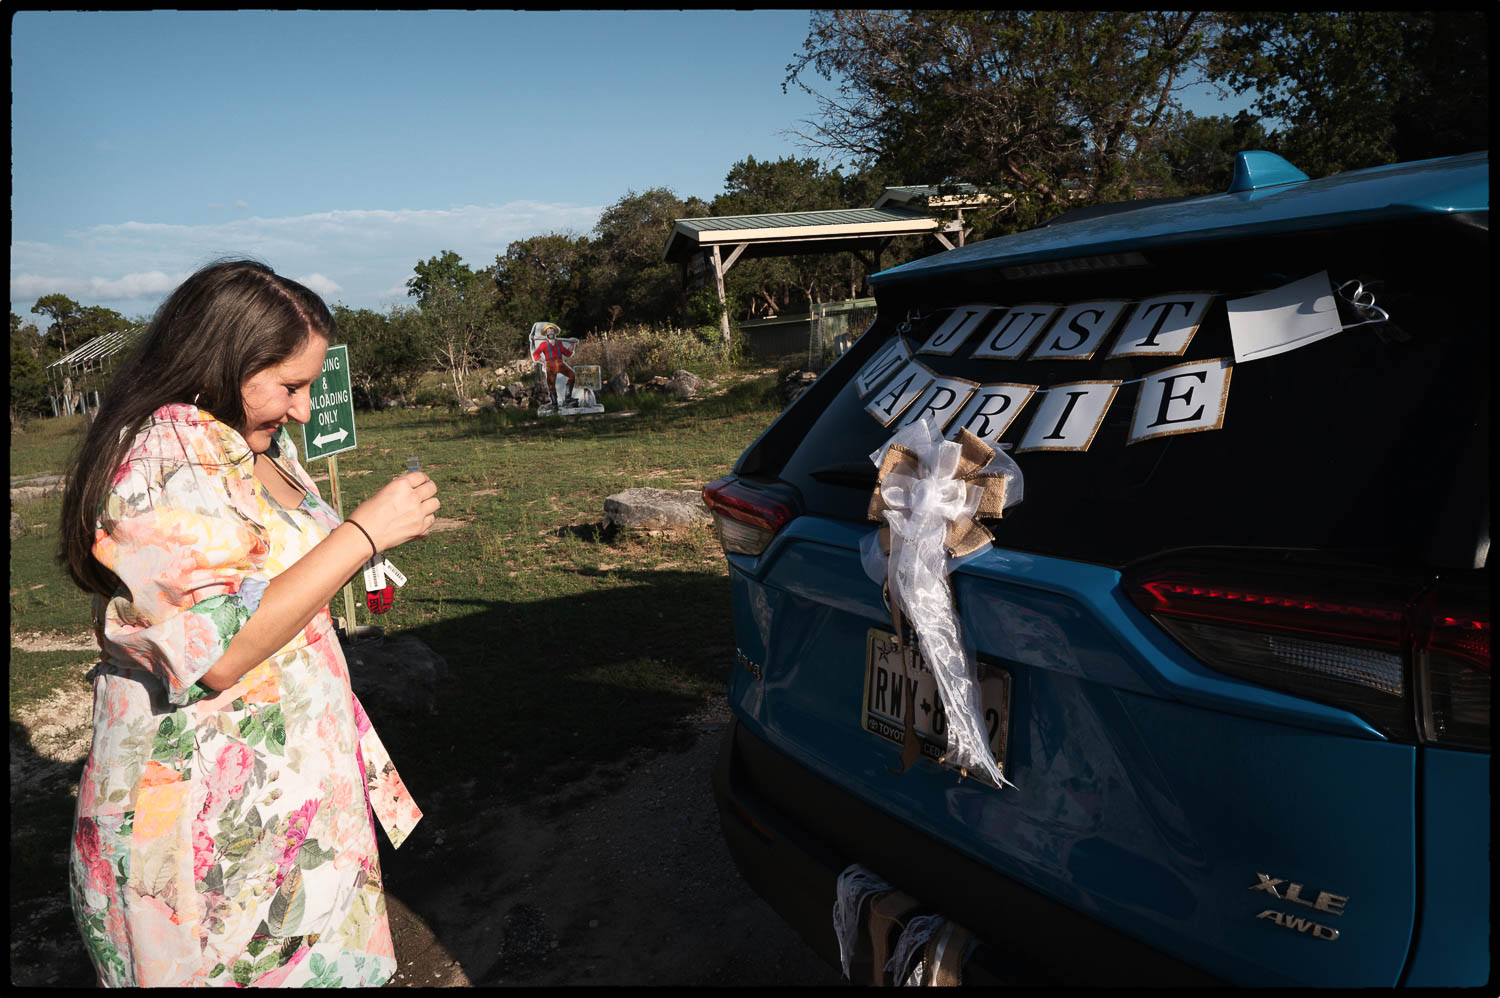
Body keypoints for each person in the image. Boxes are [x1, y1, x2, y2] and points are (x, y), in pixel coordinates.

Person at [56, 259, 440, 987]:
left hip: (292, 803)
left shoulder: (254, 444)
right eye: (289, 387)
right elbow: (218, 654)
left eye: (308, 388)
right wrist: (361, 535)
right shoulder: (163, 456)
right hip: (211, 821)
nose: (301, 410)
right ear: (221, 361)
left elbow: (281, 580)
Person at [530, 321, 577, 408]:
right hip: (550, 364)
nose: (550, 332)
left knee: (572, 375)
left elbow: (568, 353)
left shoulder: (559, 343)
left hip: (559, 363)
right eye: (548, 331)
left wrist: (572, 344)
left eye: (552, 331)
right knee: (551, 384)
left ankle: (568, 398)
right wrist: (544, 361)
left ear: (554, 332)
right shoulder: (543, 344)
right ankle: (554, 403)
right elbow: (535, 354)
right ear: (546, 333)